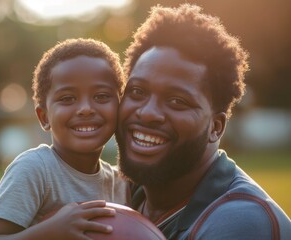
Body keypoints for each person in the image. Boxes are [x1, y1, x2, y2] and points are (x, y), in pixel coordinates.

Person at [115, 3, 291, 239]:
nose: (147, 113)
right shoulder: (116, 191)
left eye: (177, 101)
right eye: (137, 92)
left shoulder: (242, 221)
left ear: (215, 127)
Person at [0, 38, 130, 240]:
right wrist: (49, 232)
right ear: (44, 117)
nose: (85, 109)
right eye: (67, 98)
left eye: (101, 96)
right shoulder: (35, 169)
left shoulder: (122, 184)